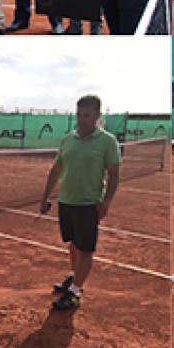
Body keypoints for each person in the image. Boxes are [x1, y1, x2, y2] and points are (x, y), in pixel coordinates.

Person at [40, 94, 120, 310]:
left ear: (97, 115)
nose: (81, 119)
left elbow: (114, 174)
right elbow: (56, 169)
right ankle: (75, 277)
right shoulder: (68, 138)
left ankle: (75, 293)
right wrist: (46, 196)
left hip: (88, 204)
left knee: (85, 249)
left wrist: (106, 202)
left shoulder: (107, 141)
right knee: (73, 244)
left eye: (86, 115)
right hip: (66, 201)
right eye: (78, 114)